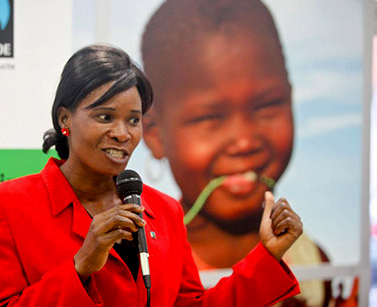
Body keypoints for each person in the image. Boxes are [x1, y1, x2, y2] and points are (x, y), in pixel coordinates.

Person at [0, 44, 303, 306]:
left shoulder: (165, 211)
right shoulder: (5, 207)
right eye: (105, 116)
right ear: (65, 119)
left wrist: (267, 256)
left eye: (133, 119)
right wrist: (81, 266)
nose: (123, 133)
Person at [141, 0, 341, 306]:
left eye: (266, 106)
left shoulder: (313, 259)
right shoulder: (155, 264)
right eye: (209, 118)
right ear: (155, 134)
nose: (244, 142)